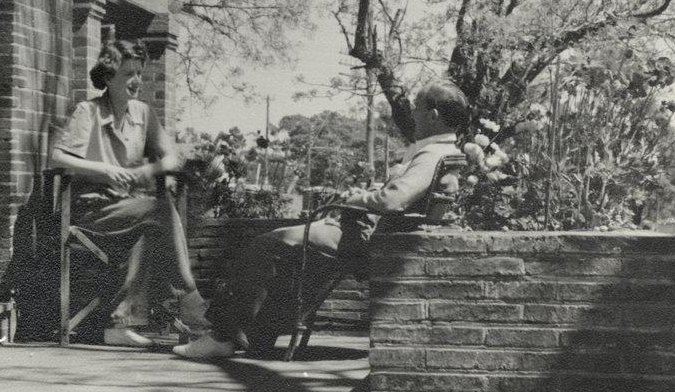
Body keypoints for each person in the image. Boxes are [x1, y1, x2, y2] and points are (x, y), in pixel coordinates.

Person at [174, 79, 468, 361]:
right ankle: (253, 335)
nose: (412, 111)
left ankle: (221, 337)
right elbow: (396, 196)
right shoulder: (439, 151)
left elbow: (394, 200)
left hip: (365, 237)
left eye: (417, 105)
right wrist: (366, 193)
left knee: (267, 244)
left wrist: (353, 200)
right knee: (286, 250)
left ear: (433, 115)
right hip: (370, 231)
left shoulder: (431, 155)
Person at [49, 39, 210, 347]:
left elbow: (172, 157)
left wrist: (145, 171)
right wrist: (104, 170)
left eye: (139, 73)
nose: (137, 81)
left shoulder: (143, 114)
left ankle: (118, 324)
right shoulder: (88, 111)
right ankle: (189, 303)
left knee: (149, 226)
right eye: (128, 75)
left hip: (128, 210)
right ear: (108, 78)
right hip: (90, 212)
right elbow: (57, 158)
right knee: (159, 211)